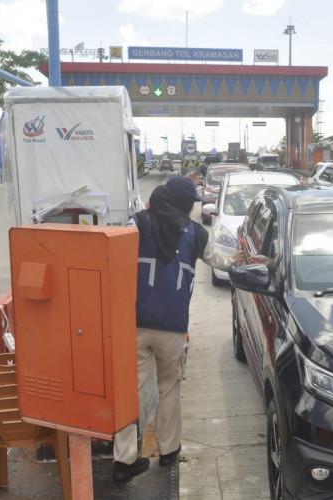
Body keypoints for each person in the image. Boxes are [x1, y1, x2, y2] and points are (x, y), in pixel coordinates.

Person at [112, 175, 243, 481]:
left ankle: (124, 460)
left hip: (134, 322)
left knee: (130, 389)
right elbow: (219, 263)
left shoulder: (137, 221)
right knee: (168, 387)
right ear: (186, 204)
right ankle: (169, 452)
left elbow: (113, 255)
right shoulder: (196, 233)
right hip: (171, 325)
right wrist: (236, 260)